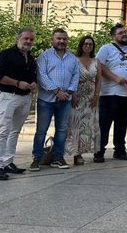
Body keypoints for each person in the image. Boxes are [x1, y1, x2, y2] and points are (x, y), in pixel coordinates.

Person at [0, 28, 38, 181]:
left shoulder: (30, 58)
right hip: (7, 96)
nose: (28, 42)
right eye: (26, 39)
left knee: (15, 131)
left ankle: (8, 161)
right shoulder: (6, 54)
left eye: (31, 39)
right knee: (3, 130)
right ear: (18, 38)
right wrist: (17, 83)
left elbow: (32, 76)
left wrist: (33, 83)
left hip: (24, 98)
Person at [94, 24, 127, 162]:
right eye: (121, 33)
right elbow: (99, 66)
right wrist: (116, 78)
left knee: (121, 124)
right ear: (113, 36)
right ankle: (99, 150)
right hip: (110, 94)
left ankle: (120, 150)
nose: (124, 34)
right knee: (104, 124)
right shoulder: (106, 49)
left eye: (125, 32)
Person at [31, 28, 79, 171]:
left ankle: (58, 158)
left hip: (65, 100)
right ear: (52, 40)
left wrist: (68, 92)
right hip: (46, 99)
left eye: (64, 39)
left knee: (62, 130)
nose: (61, 41)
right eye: (58, 38)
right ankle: (36, 159)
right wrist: (57, 91)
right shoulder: (44, 57)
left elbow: (76, 76)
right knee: (41, 130)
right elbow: (42, 76)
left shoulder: (72, 58)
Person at [65, 35, 101, 166]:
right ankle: (76, 153)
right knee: (75, 124)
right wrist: (72, 94)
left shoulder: (96, 61)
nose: (88, 46)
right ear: (81, 45)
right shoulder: (74, 60)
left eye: (90, 44)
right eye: (85, 43)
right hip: (77, 96)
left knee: (88, 126)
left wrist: (96, 96)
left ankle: (84, 150)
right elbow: (70, 78)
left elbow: (99, 80)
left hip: (91, 97)